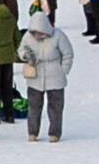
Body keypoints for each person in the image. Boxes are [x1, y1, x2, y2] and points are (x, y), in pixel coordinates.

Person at [17, 9, 74, 143]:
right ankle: (32, 132)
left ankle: (55, 133)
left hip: (55, 76)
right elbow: (21, 49)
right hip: (35, 77)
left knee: (55, 107)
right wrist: (25, 56)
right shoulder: (27, 36)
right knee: (34, 107)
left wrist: (63, 71)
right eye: (35, 32)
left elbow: (68, 54)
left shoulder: (59, 36)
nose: (38, 35)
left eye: (40, 32)